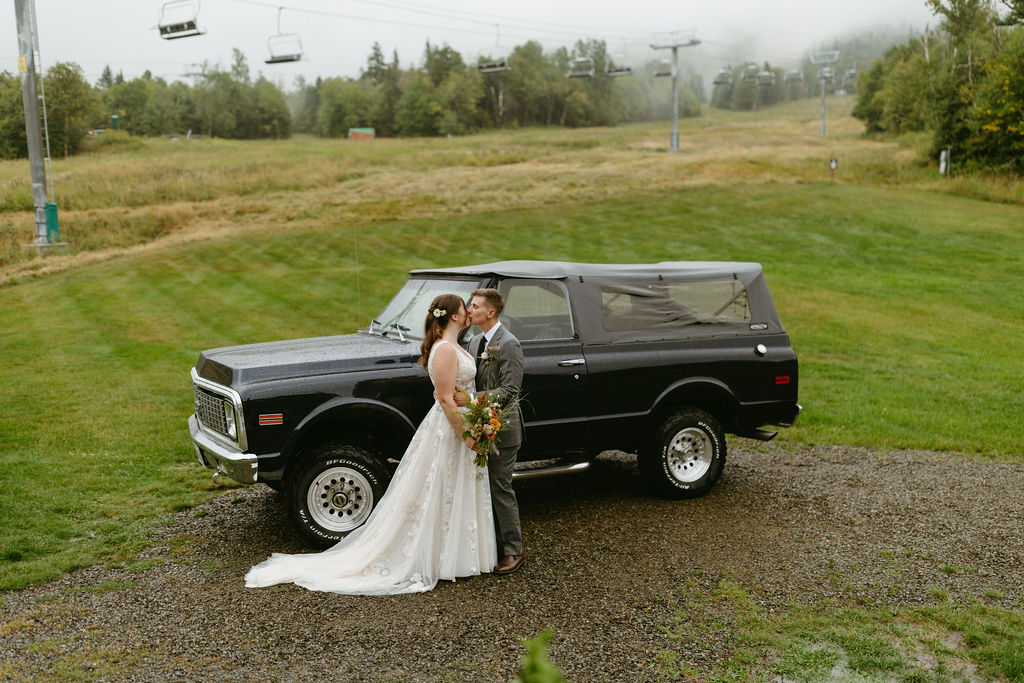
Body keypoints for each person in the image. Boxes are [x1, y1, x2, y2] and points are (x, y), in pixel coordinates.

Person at [244, 293, 496, 594]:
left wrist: (474, 407)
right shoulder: (444, 349)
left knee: (455, 489)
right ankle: (437, 559)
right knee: (440, 488)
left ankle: (458, 557)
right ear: (453, 316)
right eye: (464, 308)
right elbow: (443, 399)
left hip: (464, 420)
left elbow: (459, 392)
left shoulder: (455, 345)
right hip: (450, 429)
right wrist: (466, 436)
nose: (469, 311)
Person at [462, 288, 526, 575]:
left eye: (474, 306)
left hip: (504, 429)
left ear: (491, 312)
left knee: (500, 488)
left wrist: (474, 400)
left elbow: (511, 390)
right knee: (481, 487)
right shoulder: (476, 341)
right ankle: (491, 546)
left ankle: (514, 550)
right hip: (480, 425)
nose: (469, 309)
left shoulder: (509, 343)